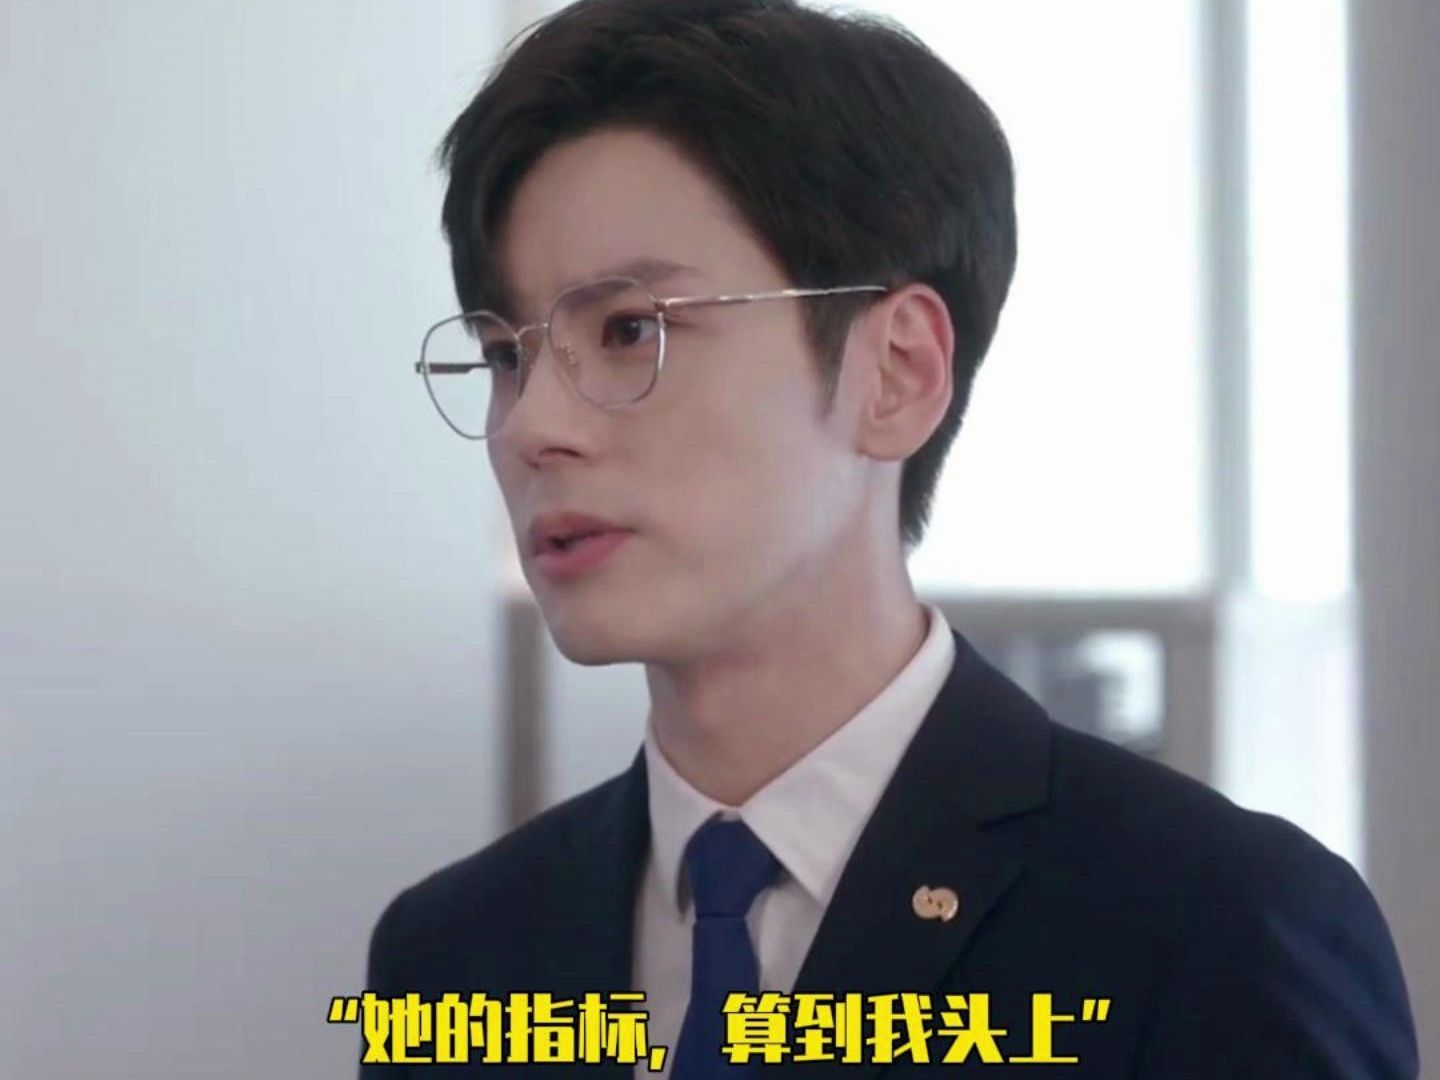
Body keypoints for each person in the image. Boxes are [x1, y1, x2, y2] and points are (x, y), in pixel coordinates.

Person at [360, 0, 1418, 1075]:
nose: (533, 425)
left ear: (898, 373)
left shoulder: (1208, 925)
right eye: (507, 356)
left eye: (631, 330)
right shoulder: (453, 957)